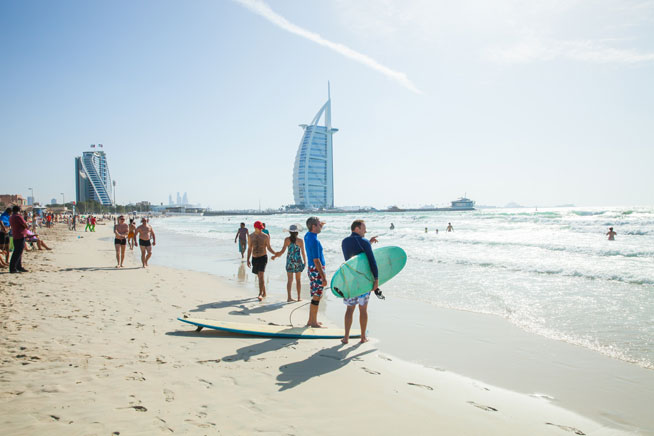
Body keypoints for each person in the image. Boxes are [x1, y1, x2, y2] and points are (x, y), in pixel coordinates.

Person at [341, 219, 379, 344]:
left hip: (350, 281)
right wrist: (376, 279)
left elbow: (355, 255)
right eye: (363, 228)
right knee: (363, 310)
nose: (366, 231)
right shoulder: (363, 242)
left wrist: (368, 243)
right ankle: (363, 337)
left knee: (349, 309)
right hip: (363, 282)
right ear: (356, 228)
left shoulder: (344, 242)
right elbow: (371, 261)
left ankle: (346, 337)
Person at [273, 224, 307, 301]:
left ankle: (289, 297)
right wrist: (305, 261)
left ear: (290, 232)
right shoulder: (300, 241)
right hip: (298, 261)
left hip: (289, 262)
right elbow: (303, 252)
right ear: (297, 232)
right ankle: (298, 297)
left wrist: (275, 256)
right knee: (298, 280)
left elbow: (282, 251)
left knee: (289, 280)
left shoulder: (287, 240)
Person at [304, 216, 326, 327]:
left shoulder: (307, 236)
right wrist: (323, 277)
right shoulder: (315, 241)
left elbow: (314, 229)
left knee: (316, 295)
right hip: (317, 270)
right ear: (314, 226)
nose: (320, 226)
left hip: (311, 269)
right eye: (318, 224)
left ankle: (311, 320)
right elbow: (317, 260)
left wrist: (319, 224)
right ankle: (313, 322)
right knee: (317, 296)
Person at [247, 221, 277, 301]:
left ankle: (260, 294)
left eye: (261, 228)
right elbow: (249, 248)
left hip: (263, 257)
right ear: (255, 228)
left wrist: (275, 253)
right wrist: (247, 259)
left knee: (261, 275)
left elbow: (269, 247)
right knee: (259, 276)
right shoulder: (250, 236)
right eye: (259, 228)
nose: (261, 230)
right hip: (254, 258)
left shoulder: (265, 236)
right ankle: (264, 292)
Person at [9, 205, 29, 273]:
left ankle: (18, 266)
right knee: (17, 252)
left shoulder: (11, 217)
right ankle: (13, 268)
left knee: (18, 252)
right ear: (19, 210)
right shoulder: (18, 217)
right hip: (20, 235)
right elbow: (25, 225)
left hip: (15, 235)